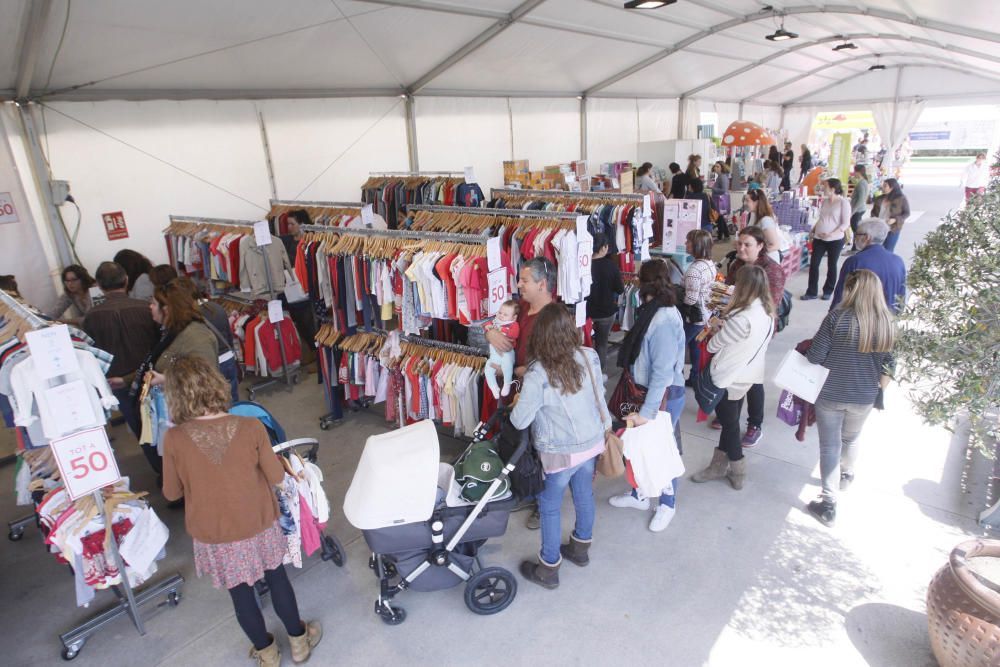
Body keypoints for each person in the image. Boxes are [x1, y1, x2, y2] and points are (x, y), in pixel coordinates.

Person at [162, 356, 321, 665]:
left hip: (215, 531)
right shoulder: (250, 426)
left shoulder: (174, 439)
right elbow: (276, 477)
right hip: (258, 520)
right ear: (214, 383)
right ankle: (300, 642)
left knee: (241, 594)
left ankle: (267, 653)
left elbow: (171, 492)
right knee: (277, 580)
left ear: (175, 396)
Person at [511, 304, 608, 589]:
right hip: (591, 443)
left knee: (550, 507)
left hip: (559, 450)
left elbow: (519, 421)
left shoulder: (538, 372)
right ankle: (580, 548)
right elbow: (598, 396)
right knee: (583, 494)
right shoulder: (588, 356)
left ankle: (549, 567)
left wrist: (519, 401)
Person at [804, 270, 896, 526]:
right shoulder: (888, 322)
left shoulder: (837, 318)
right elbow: (889, 365)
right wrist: (879, 391)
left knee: (829, 445)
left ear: (851, 290)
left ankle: (829, 503)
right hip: (864, 395)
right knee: (852, 438)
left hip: (830, 393)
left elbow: (815, 357)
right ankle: (846, 474)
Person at [607, 259, 686, 532]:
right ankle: (640, 494)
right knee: (638, 445)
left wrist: (647, 412)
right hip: (644, 391)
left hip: (661, 396)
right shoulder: (651, 310)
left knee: (660, 448)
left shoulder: (662, 318)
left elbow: (663, 372)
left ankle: (667, 503)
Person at [485, 257, 556, 530]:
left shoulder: (555, 316)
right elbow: (494, 322)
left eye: (524, 280)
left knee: (541, 446)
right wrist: (491, 332)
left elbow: (561, 358)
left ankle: (542, 501)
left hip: (541, 393)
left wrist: (526, 371)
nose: (518, 284)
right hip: (517, 390)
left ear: (542, 283)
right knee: (521, 442)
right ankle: (526, 489)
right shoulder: (522, 309)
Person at [691, 265, 774, 490]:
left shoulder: (742, 319)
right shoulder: (766, 313)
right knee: (731, 422)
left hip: (728, 377)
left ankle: (738, 469)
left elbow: (713, 344)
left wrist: (718, 329)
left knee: (729, 425)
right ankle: (718, 466)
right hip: (745, 375)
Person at [132, 280, 219, 477]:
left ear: (168, 308)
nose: (150, 307)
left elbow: (207, 381)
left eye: (154, 303)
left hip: (195, 421)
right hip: (180, 416)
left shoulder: (195, 337)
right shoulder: (173, 332)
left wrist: (165, 379)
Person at [722, 226, 785, 448]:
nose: (741, 248)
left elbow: (771, 305)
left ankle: (754, 424)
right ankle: (729, 416)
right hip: (735, 324)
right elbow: (727, 291)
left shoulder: (772, 270)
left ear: (760, 246)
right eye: (739, 243)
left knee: (753, 376)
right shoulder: (736, 264)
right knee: (734, 371)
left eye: (747, 244)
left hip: (758, 330)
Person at [82, 262, 160, 439]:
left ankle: (157, 463)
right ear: (126, 280)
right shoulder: (146, 308)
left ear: (99, 286)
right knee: (165, 420)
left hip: (117, 381)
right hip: (153, 374)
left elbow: (91, 352)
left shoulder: (92, 316)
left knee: (141, 429)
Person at [178, 276, 240, 402]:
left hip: (212, 363)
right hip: (228, 357)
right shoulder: (215, 306)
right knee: (233, 397)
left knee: (218, 402)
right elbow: (228, 334)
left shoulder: (190, 316)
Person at [830, 218, 907, 313]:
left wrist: (831, 318)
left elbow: (840, 296)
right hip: (888, 320)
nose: (855, 238)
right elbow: (901, 297)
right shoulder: (898, 261)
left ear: (867, 237)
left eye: (857, 234)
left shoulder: (855, 261)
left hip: (861, 320)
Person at [803, 178, 851, 301]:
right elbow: (821, 218)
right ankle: (811, 291)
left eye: (825, 186)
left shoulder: (843, 203)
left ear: (833, 189)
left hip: (835, 240)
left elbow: (845, 224)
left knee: (831, 265)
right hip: (819, 238)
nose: (823, 188)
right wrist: (813, 230)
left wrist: (831, 234)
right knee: (814, 264)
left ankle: (828, 291)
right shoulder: (825, 202)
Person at [586, 233, 624, 372]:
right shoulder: (611, 266)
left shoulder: (583, 264)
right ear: (603, 248)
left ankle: (585, 373)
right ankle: (599, 374)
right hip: (606, 313)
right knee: (601, 345)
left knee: (585, 343)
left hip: (586, 312)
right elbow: (619, 289)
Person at [682, 230, 714, 385]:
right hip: (706, 313)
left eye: (688, 241)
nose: (685, 244)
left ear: (697, 245)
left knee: (678, 346)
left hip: (694, 317)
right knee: (695, 346)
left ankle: (676, 377)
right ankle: (695, 377)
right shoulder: (709, 264)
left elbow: (691, 299)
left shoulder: (694, 270)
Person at [483, 300, 520, 399]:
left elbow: (514, 334)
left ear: (514, 317)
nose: (501, 316)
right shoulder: (495, 321)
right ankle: (494, 387)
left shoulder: (513, 324)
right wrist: (487, 328)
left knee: (507, 365)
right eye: (500, 312)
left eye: (505, 314)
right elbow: (485, 326)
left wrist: (501, 329)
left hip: (506, 354)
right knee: (488, 369)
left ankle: (507, 383)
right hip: (494, 355)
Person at [871, 178, 910, 253]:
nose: (882, 187)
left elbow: (907, 213)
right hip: (878, 228)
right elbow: (873, 212)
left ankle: (885, 264)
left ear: (892, 188)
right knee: (876, 250)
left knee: (888, 251)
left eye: (885, 186)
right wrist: (873, 221)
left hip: (893, 229)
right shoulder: (879, 198)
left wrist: (895, 219)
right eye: (883, 185)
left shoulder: (901, 199)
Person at [745, 189, 782, 261]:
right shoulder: (753, 215)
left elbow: (776, 245)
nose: (745, 203)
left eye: (747, 201)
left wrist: (756, 253)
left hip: (768, 261)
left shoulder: (766, 220)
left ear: (756, 202)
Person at [848, 164, 870, 251]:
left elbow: (860, 200)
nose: (854, 173)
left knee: (856, 230)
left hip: (858, 209)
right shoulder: (863, 182)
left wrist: (853, 211)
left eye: (855, 171)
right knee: (857, 229)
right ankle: (856, 247)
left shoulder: (861, 183)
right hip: (860, 209)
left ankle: (856, 248)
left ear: (859, 172)